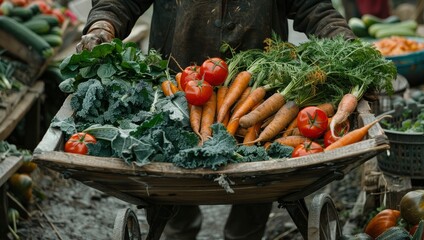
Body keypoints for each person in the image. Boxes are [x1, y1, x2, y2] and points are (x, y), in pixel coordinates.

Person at [76, 1, 356, 239]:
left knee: (260, 170)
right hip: (180, 86)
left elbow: (313, 6)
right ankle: (179, 230)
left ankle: (243, 234)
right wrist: (103, 24)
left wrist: (343, 41)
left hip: (258, 92)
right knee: (169, 172)